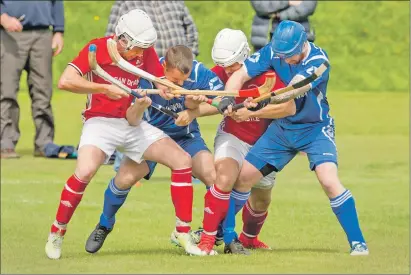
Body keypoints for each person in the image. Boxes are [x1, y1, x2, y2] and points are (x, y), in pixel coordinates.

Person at [44, 9, 202, 260]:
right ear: (123, 39)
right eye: (137, 48)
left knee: (182, 161)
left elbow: (156, 80)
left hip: (132, 121)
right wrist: (102, 88)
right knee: (85, 171)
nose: (141, 53)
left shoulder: (145, 53)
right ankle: (57, 231)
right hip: (100, 123)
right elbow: (65, 80)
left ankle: (182, 232)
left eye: (144, 48)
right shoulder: (96, 48)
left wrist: (167, 89)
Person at [211, 20, 369, 256]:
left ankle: (358, 243)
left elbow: (291, 93)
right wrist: (227, 98)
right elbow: (242, 73)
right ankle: (220, 233)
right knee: (243, 177)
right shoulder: (276, 50)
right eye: (281, 55)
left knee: (328, 180)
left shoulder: (319, 62)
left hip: (315, 129)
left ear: (303, 44)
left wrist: (257, 106)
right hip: (282, 130)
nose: (284, 61)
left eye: (290, 56)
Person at [84, 44, 225, 254]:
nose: (180, 86)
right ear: (164, 67)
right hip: (150, 137)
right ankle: (104, 224)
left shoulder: (198, 72)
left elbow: (223, 100)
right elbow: (131, 120)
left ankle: (212, 234)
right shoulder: (145, 74)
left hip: (185, 136)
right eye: (175, 81)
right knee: (123, 179)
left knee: (213, 177)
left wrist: (194, 112)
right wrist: (140, 105)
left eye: (184, 82)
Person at [187, 28, 295, 255]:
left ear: (245, 54)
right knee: (225, 178)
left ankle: (249, 238)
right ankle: (208, 238)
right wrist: (195, 108)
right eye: (223, 64)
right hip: (232, 136)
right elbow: (209, 102)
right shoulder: (217, 73)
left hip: (265, 144)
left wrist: (255, 112)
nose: (227, 70)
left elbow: (287, 108)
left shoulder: (270, 75)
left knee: (262, 199)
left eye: (232, 65)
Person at [0, 0, 64, 158]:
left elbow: (57, 2)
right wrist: (2, 17)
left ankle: (44, 142)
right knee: (6, 91)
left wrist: (59, 31)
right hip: (9, 34)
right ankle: (5, 142)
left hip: (43, 34)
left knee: (43, 91)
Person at [105, 1, 199, 58]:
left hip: (179, 71)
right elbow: (112, 41)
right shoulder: (124, 3)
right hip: (145, 74)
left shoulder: (176, 2)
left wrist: (188, 60)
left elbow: (191, 33)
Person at [250, 0, 317, 51]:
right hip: (265, 37)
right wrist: (287, 2)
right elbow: (260, 5)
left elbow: (307, 6)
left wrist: (279, 15)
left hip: (298, 38)